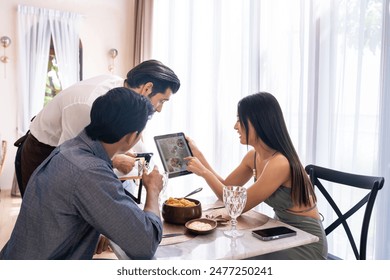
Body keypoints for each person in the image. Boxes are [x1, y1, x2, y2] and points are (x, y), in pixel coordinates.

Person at [1, 87, 163, 259]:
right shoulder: (90, 172)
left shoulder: (70, 148)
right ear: (131, 136)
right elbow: (145, 244)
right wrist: (153, 190)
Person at [185, 92, 328, 260]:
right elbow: (226, 189)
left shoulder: (280, 163)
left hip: (305, 242)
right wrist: (199, 155)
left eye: (240, 120)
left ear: (258, 122)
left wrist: (204, 172)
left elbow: (237, 205)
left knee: (239, 258)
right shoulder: (253, 156)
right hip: (280, 232)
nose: (235, 126)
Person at [16, 59, 180, 197]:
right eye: (162, 101)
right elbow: (68, 158)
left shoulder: (126, 96)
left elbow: (133, 137)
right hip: (43, 151)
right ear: (147, 88)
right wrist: (115, 160)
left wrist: (146, 165)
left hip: (70, 154)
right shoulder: (88, 104)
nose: (159, 109)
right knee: (46, 217)